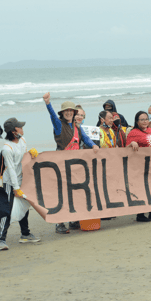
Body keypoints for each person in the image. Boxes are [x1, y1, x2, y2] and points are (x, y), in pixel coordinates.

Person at [43, 93, 99, 234]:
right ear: (62, 113)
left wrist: (94, 146)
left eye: (71, 111)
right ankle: (59, 224)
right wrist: (48, 104)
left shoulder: (77, 127)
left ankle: (73, 220)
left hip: (75, 165)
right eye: (66, 111)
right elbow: (52, 117)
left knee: (75, 192)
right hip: (61, 165)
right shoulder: (59, 125)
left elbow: (86, 139)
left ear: (74, 113)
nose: (68, 113)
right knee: (62, 194)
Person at [0, 118, 41, 251]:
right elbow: (10, 169)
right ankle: (1, 239)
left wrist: (30, 154)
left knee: (24, 206)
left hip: (22, 179)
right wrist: (16, 188)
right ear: (13, 132)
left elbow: (24, 159)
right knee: (7, 209)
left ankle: (25, 234)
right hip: (10, 182)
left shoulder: (22, 140)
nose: (22, 129)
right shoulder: (7, 148)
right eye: (19, 127)